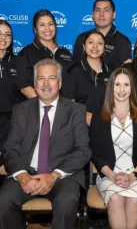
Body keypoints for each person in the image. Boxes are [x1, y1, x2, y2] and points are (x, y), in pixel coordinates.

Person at [0, 58, 91, 229]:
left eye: (52, 78)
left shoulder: (76, 111)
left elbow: (82, 150)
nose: (46, 83)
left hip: (62, 175)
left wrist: (54, 175)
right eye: (41, 78)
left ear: (60, 83)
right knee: (3, 201)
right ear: (35, 83)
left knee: (67, 202)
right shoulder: (20, 110)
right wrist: (22, 175)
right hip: (26, 172)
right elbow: (10, 147)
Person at [90, 67, 137, 229]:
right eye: (117, 84)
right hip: (108, 175)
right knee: (115, 198)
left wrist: (133, 175)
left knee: (133, 200)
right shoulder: (99, 117)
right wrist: (112, 176)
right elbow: (96, 155)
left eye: (126, 85)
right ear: (110, 87)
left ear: (132, 88)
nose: (122, 90)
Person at [18, 9, 74, 99]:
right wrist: (46, 105)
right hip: (39, 109)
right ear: (35, 29)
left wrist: (69, 106)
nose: (47, 28)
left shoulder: (65, 53)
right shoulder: (26, 53)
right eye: (42, 25)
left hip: (66, 109)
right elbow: (24, 87)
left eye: (50, 24)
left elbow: (74, 83)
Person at [62, 30, 110, 125]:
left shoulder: (111, 72)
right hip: (80, 125)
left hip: (106, 125)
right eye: (91, 42)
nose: (95, 46)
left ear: (104, 48)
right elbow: (69, 105)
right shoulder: (73, 71)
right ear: (84, 47)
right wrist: (88, 118)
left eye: (99, 43)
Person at [73, 0, 131, 70]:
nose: (101, 14)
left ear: (114, 15)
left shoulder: (122, 41)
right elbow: (74, 69)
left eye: (106, 10)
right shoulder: (82, 38)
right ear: (93, 15)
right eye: (98, 10)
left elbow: (123, 73)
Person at [0, 20, 25, 154]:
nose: (3, 38)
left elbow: (26, 90)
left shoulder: (19, 62)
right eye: (0, 34)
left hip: (13, 122)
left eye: (7, 34)